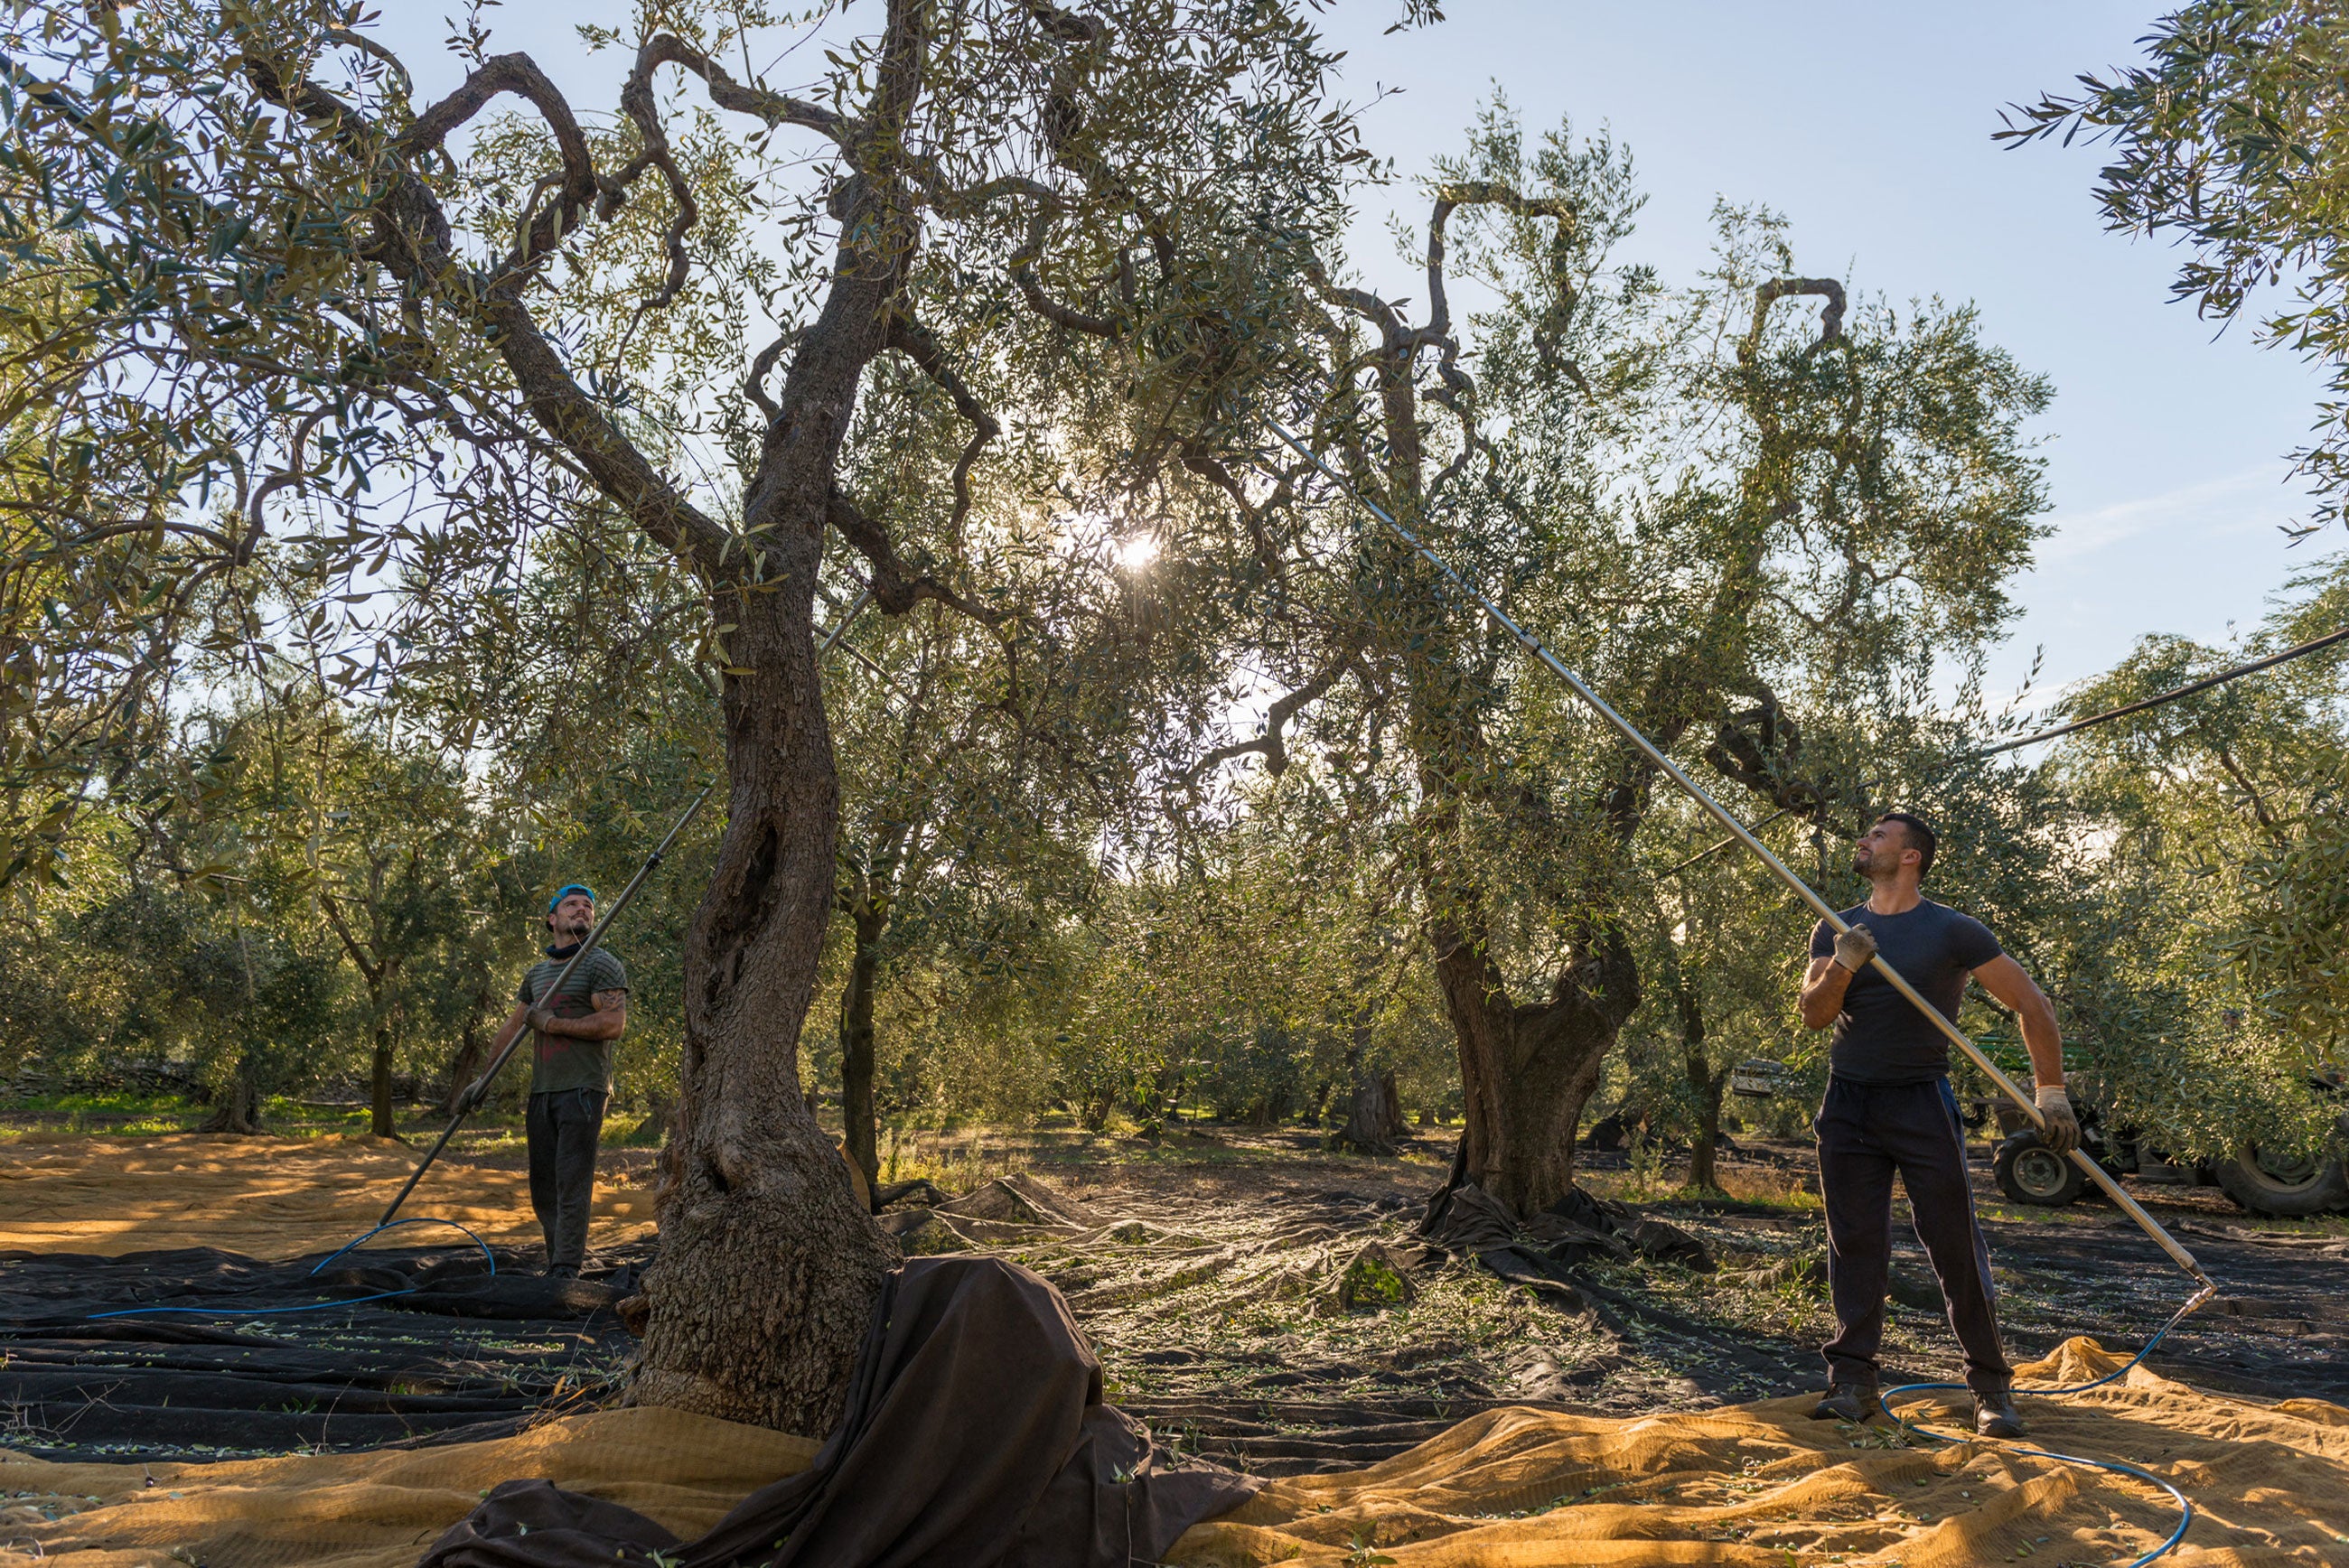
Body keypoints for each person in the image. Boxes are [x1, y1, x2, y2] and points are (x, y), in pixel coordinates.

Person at [1797, 811, 2079, 1439]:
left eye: (1877, 835)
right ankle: (1852, 1382)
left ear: (1910, 857)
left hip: (1921, 1102)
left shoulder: (1953, 930)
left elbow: (2031, 1004)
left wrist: (2051, 1094)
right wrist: (1844, 962)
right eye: (1865, 832)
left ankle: (1990, 1389)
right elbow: (1815, 1015)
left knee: (1954, 1246)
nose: (1863, 840)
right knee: (1855, 1242)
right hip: (1848, 1104)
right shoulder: (1835, 925)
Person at [471, 883, 629, 1278]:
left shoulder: (600, 964)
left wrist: (552, 1023)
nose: (582, 911)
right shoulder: (538, 974)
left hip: (584, 1089)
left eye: (588, 906)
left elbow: (613, 1023)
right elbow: (513, 1026)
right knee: (543, 1184)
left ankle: (565, 1268)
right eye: (571, 905)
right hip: (543, 1090)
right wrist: (483, 1081)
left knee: (571, 1182)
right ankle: (554, 1255)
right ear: (552, 918)